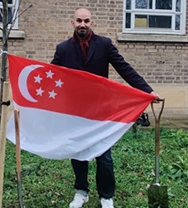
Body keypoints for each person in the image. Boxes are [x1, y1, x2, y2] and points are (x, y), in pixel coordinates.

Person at [51, 7, 159, 208]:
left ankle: (106, 196)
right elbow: (52, 77)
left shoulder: (105, 45)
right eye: (79, 20)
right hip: (75, 112)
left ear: (92, 23)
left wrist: (147, 91)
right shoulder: (63, 49)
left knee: (104, 156)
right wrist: (29, 100)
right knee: (78, 153)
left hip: (101, 111)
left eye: (86, 20)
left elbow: (124, 68)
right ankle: (81, 191)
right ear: (72, 23)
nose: (82, 24)